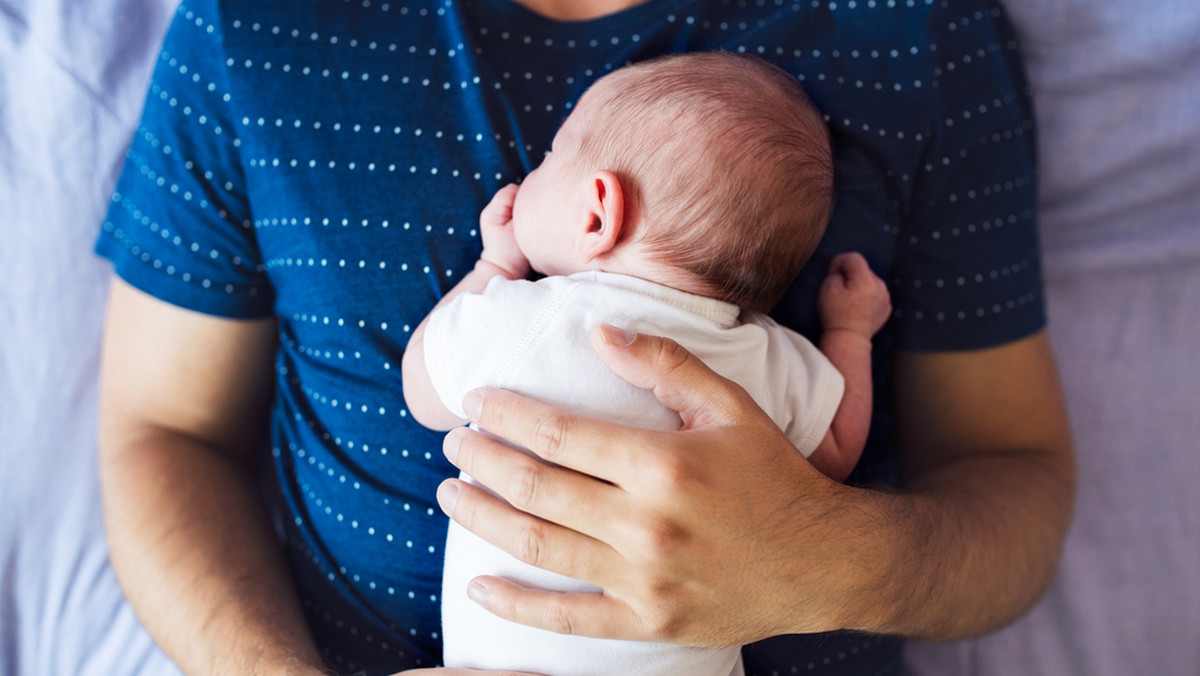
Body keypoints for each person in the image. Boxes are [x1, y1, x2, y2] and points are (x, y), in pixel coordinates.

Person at [94, 0, 1074, 674]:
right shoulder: (252, 27)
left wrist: (828, 558)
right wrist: (850, 331)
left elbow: (1012, 475)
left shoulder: (914, 30)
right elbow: (162, 432)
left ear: (597, 210)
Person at [401, 52, 892, 676]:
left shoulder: (523, 319)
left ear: (597, 213)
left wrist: (492, 268)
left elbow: (422, 392)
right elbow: (836, 451)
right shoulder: (762, 357)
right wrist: (851, 331)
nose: (534, 173)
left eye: (552, 157)